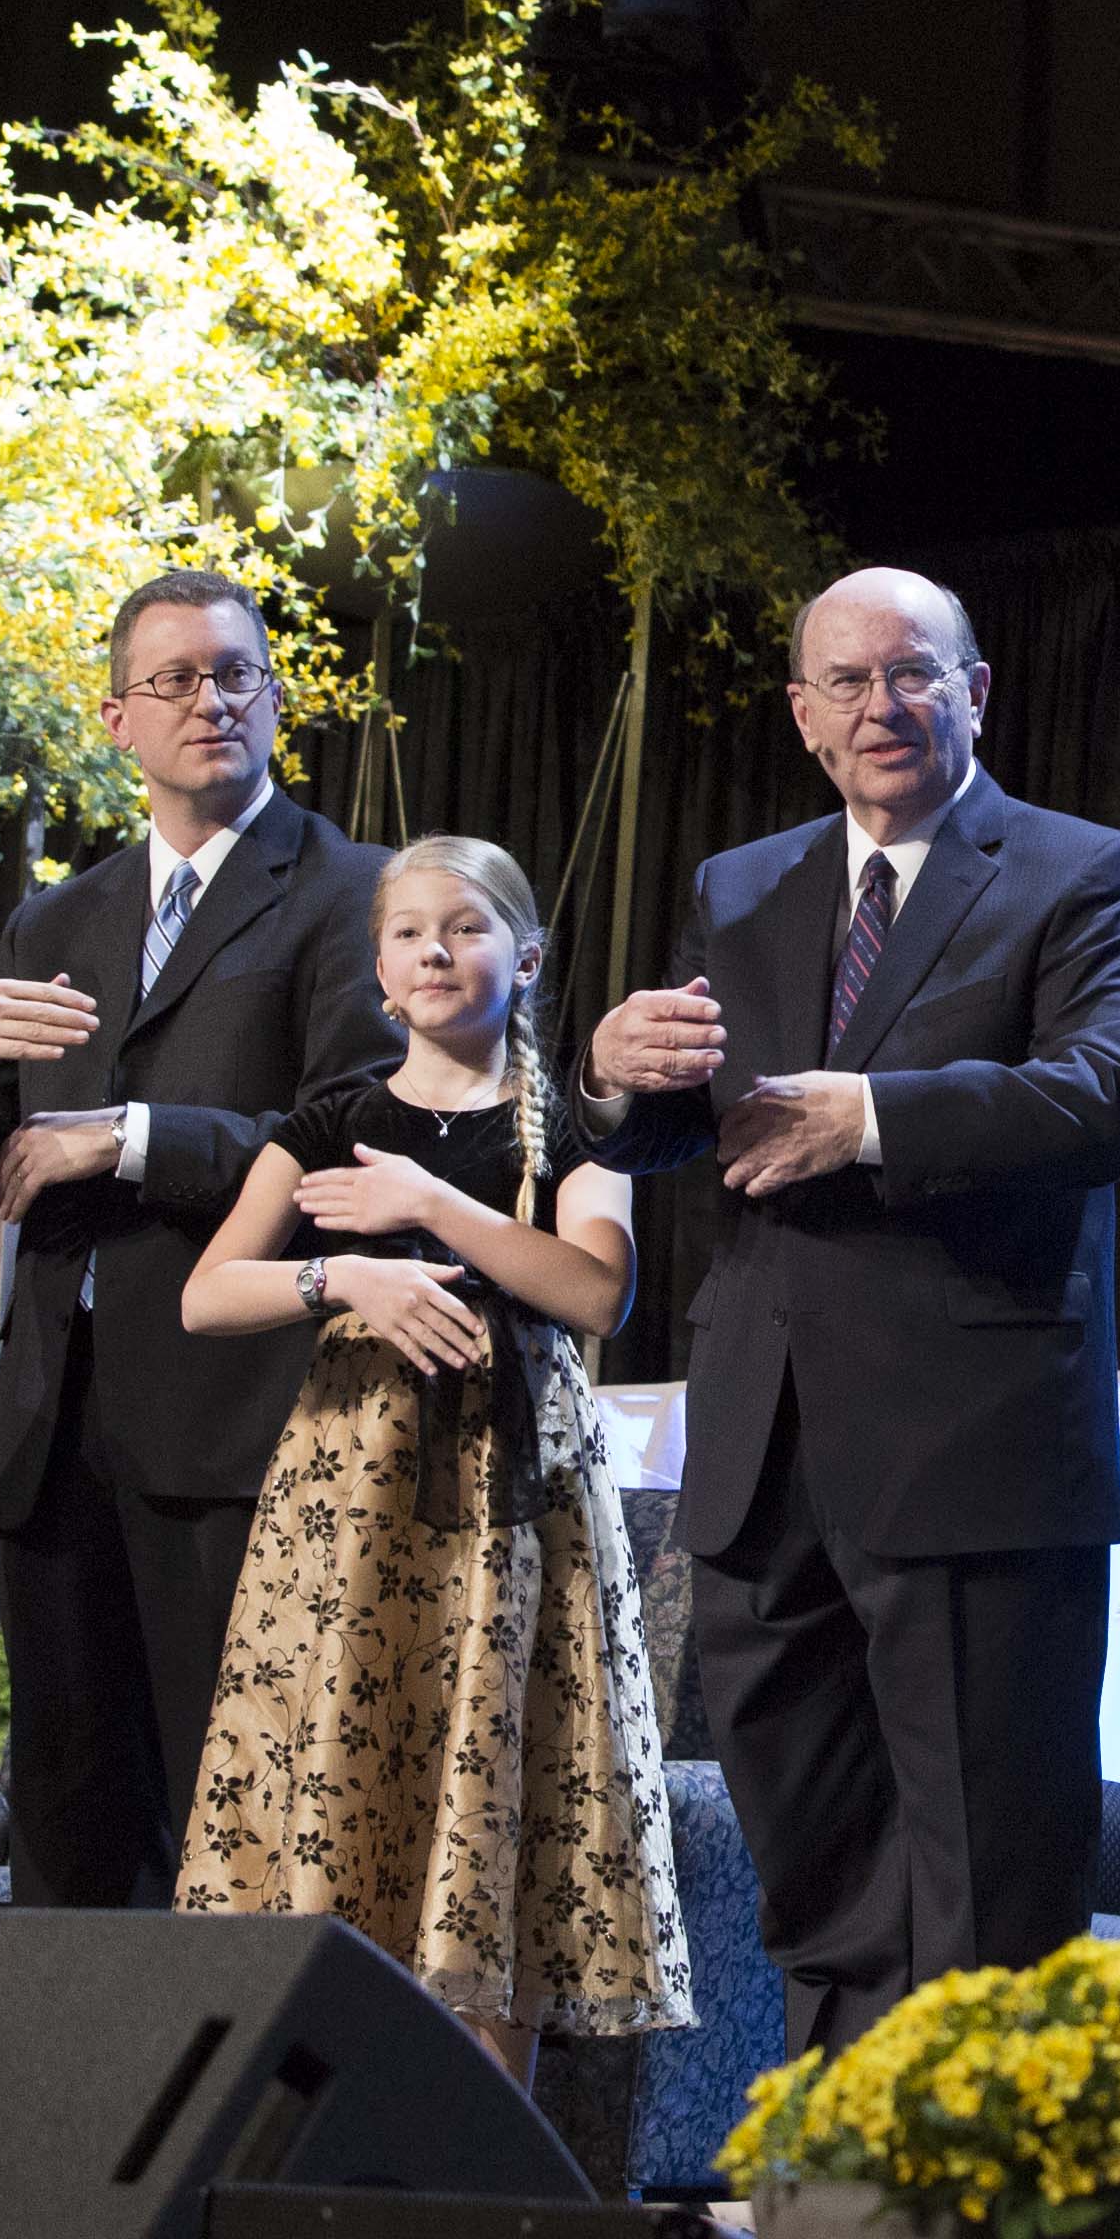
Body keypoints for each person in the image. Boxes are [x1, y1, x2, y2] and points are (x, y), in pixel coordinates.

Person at [581, 568, 1120, 2052]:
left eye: (912, 675)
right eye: (845, 683)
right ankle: (844, 2184)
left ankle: (982, 2230)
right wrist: (612, 1073)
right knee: (814, 1860)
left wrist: (878, 1117)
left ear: (976, 692)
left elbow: (1115, 1099)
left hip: (969, 1447)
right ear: (803, 715)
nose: (880, 706)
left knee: (988, 1880)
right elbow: (699, 1121)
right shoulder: (746, 885)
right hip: (768, 1446)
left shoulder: (1076, 870)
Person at [0, 575, 390, 1908]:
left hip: (239, 1426)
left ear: (276, 697)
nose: (209, 702)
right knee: (65, 1825)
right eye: (173, 680)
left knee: (231, 1825)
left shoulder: (354, 894)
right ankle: (68, 2114)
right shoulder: (60, 921)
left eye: (236, 674)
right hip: (59, 1431)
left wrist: (136, 1138)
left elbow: (356, 1132)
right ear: (115, 719)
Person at [172, 838, 690, 2086]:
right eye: (409, 935)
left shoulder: (572, 1121)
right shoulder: (335, 1120)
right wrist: (344, 1273)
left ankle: (478, 2155)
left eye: (464, 929)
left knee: (491, 1783)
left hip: (512, 1499)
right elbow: (207, 1295)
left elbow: (593, 1291)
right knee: (345, 1769)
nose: (435, 953)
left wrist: (436, 1210)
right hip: (352, 1496)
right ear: (381, 973)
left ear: (525, 956)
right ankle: (317, 2138)